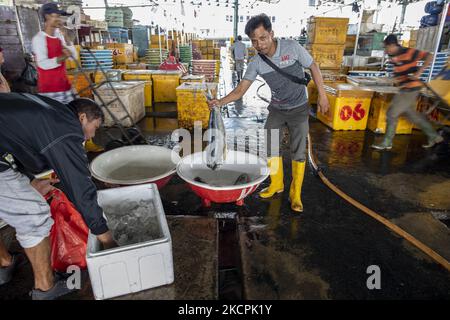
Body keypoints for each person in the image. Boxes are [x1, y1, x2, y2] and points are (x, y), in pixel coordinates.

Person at [207, 14, 330, 213]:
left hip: (299, 108)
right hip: (277, 109)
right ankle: (276, 184)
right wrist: (219, 102)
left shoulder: (291, 47)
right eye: (254, 41)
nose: (259, 44)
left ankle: (295, 193)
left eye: (263, 38)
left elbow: (313, 66)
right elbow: (241, 90)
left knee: (298, 150)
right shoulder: (256, 63)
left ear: (271, 34)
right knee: (272, 146)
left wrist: (323, 95)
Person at [0, 94, 117, 300]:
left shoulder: (52, 110)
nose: (91, 137)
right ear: (81, 118)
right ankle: (45, 288)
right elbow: (80, 189)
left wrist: (29, 181)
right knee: (34, 215)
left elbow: (13, 140)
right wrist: (106, 237)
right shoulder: (67, 129)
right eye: (95, 128)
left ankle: (4, 263)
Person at [371, 34, 444, 150]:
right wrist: (388, 80)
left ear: (392, 45)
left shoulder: (409, 52)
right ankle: (434, 136)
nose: (385, 50)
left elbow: (429, 56)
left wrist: (419, 72)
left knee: (391, 113)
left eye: (386, 47)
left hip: (411, 88)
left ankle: (387, 142)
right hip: (404, 88)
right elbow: (400, 75)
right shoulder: (393, 57)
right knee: (410, 114)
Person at [32, 2, 77, 104]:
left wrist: (66, 36)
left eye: (59, 16)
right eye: (55, 16)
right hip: (50, 91)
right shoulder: (39, 39)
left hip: (65, 87)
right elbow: (43, 64)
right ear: (47, 17)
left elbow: (74, 57)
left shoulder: (59, 36)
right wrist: (64, 56)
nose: (59, 19)